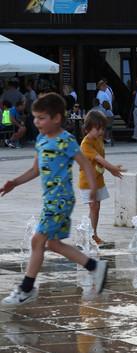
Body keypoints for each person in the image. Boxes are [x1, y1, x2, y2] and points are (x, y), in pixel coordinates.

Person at [0, 93, 108, 306]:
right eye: (35, 117)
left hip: (61, 200)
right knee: (53, 244)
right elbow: (35, 170)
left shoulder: (65, 140)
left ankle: (26, 288)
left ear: (56, 118)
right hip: (50, 200)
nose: (36, 122)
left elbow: (84, 163)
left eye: (41, 118)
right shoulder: (41, 140)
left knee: (37, 240)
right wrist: (15, 182)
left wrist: (94, 188)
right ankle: (95, 267)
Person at [79, 110, 125, 245]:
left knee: (96, 207)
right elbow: (98, 158)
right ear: (87, 128)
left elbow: (101, 159)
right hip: (87, 181)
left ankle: (91, 233)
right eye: (98, 129)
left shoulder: (98, 139)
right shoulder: (86, 144)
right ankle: (89, 234)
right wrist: (112, 168)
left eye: (103, 129)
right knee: (93, 206)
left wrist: (111, 171)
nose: (101, 132)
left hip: (98, 179)